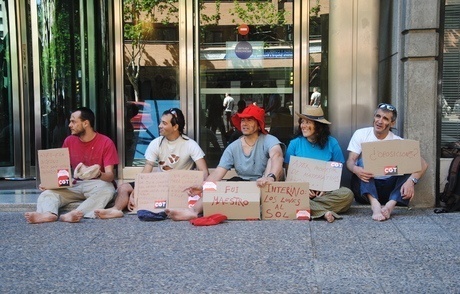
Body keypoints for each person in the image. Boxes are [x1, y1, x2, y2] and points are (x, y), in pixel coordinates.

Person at [166, 104, 285, 221]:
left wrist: (270, 178)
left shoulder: (269, 140)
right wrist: (203, 187)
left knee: (271, 160)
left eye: (249, 120)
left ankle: (261, 203)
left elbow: (277, 156)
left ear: (259, 125)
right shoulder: (233, 147)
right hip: (245, 187)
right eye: (243, 120)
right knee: (216, 186)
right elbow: (218, 172)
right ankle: (193, 211)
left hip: (265, 185)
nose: (244, 123)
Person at [94, 108, 209, 219]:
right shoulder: (156, 143)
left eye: (164, 123)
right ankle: (116, 210)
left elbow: (204, 171)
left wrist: (201, 187)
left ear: (175, 127)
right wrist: (136, 192)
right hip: (160, 183)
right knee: (123, 187)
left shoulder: (190, 144)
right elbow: (146, 171)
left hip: (180, 185)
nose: (159, 126)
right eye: (160, 122)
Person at [25, 107, 119, 224]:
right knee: (47, 193)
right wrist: (51, 183)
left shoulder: (106, 142)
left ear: (85, 123)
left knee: (108, 189)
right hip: (75, 183)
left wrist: (98, 173)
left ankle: (75, 213)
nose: (69, 125)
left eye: (73, 121)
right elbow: (62, 170)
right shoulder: (69, 141)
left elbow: (110, 176)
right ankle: (48, 214)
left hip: (96, 184)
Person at [346, 103, 428, 221]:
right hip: (366, 189)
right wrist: (355, 169)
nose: (380, 121)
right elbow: (350, 161)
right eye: (378, 116)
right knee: (362, 162)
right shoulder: (361, 134)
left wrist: (411, 180)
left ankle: (390, 206)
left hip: (389, 189)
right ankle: (375, 204)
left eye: (385, 119)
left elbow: (423, 164)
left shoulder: (397, 141)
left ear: (392, 123)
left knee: (407, 168)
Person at [284, 106, 354, 223]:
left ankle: (308, 208)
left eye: (308, 122)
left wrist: (326, 187)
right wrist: (303, 189)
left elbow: (337, 168)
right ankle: (323, 212)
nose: (303, 126)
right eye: (302, 122)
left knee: (347, 195)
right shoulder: (294, 144)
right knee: (288, 195)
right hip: (301, 191)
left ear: (318, 126)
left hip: (325, 192)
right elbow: (289, 172)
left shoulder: (332, 143)